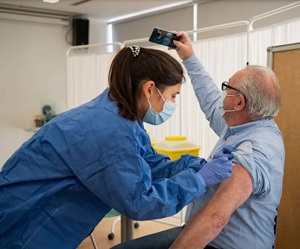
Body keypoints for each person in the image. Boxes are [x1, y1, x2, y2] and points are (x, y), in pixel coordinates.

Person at [0, 46, 234, 249]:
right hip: (25, 225)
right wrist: (199, 180)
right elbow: (140, 201)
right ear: (150, 89)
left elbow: (149, 164)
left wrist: (196, 165)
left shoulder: (119, 116)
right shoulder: (111, 131)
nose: (173, 104)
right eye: (173, 96)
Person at [111, 32, 285, 249]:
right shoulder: (242, 125)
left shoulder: (256, 149)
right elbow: (210, 100)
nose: (222, 95)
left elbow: (216, 218)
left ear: (239, 103)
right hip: (207, 233)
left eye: (227, 88)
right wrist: (189, 58)